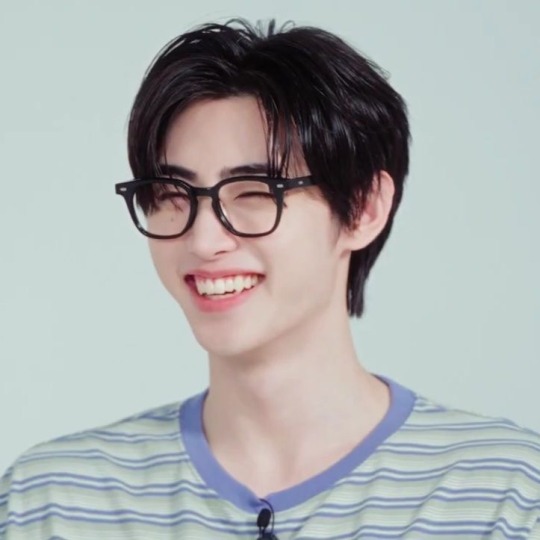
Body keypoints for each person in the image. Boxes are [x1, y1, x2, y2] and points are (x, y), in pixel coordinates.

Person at [1, 18, 539, 540]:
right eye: (172, 195)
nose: (203, 240)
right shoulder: (49, 504)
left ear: (363, 207)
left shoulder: (506, 498)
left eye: (256, 192)